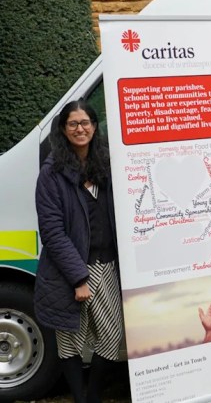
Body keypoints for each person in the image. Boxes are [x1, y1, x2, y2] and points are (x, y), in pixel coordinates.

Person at [34, 100, 123, 403]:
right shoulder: (51, 174)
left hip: (107, 264)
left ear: (95, 127)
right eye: (72, 124)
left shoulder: (107, 166)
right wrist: (78, 278)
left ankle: (93, 395)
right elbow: (52, 232)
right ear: (63, 129)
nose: (80, 129)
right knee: (70, 342)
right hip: (68, 272)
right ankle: (80, 399)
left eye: (85, 123)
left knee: (111, 339)